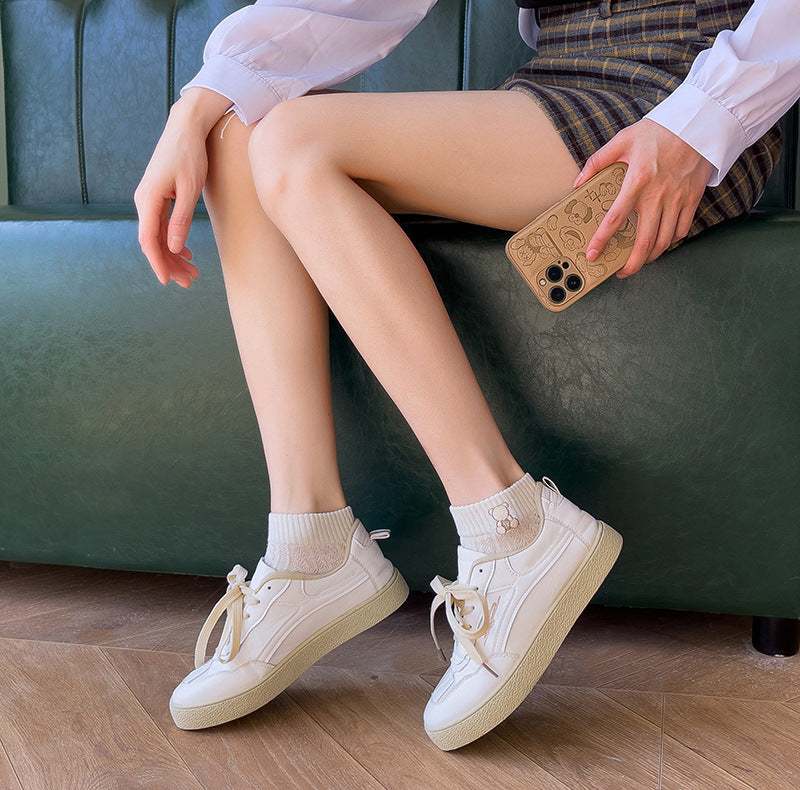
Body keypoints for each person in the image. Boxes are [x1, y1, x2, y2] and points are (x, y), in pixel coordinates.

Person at [135, 0, 800, 750]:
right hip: (555, 81)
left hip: (682, 84)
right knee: (237, 133)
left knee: (292, 142)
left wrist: (703, 119)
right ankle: (309, 542)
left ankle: (513, 528)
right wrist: (197, 103)